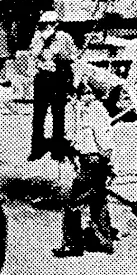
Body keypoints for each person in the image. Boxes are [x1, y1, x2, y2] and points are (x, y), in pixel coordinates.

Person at [54, 81, 116, 257]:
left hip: (93, 163)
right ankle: (103, 241)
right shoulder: (86, 109)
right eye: (82, 93)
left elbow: (104, 142)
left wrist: (108, 165)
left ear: (95, 94)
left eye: (87, 93)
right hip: (89, 161)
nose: (82, 97)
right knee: (98, 200)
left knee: (73, 202)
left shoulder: (96, 110)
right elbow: (78, 137)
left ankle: (72, 244)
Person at [28, 10, 78, 161]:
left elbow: (72, 58)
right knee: (38, 115)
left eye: (49, 24)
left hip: (58, 78)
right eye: (43, 24)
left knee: (58, 114)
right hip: (42, 78)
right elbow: (32, 56)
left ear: (55, 24)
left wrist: (72, 82)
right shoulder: (38, 37)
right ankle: (36, 148)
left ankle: (57, 149)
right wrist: (42, 44)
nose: (46, 27)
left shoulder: (64, 37)